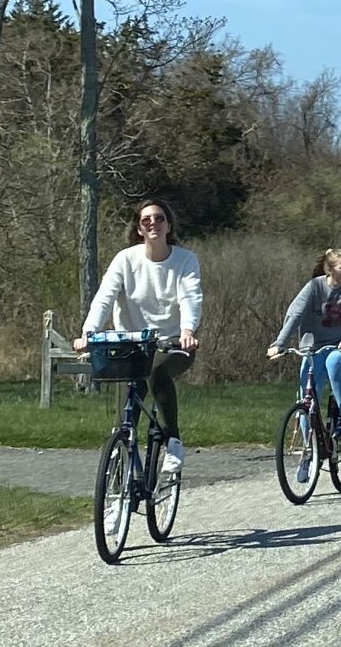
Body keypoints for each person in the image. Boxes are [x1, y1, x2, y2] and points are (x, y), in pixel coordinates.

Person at [77, 197, 203, 486]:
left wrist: (187, 330)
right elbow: (105, 297)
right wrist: (89, 333)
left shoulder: (185, 260)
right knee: (124, 420)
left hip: (171, 344)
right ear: (139, 229)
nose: (153, 223)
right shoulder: (125, 259)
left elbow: (190, 297)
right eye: (146, 220)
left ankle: (173, 443)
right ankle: (117, 496)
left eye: (159, 218)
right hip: (131, 346)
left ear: (168, 225)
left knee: (157, 372)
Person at [267, 248, 341, 438]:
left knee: (334, 362)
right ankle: (309, 455)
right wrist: (279, 343)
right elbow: (295, 314)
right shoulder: (314, 287)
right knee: (307, 399)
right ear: (330, 270)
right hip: (314, 349)